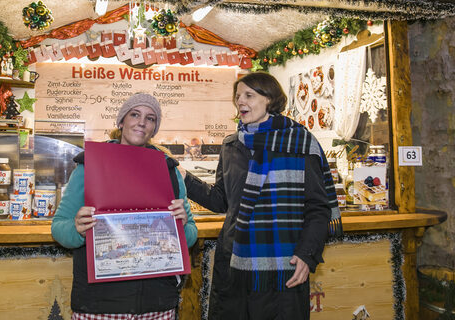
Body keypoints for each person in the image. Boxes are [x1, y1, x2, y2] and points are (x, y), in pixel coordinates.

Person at [180, 72, 342, 320]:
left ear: (269, 99)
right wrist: (184, 177)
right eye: (237, 97)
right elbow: (221, 201)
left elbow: (318, 208)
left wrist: (306, 254)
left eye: (249, 95)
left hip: (283, 266)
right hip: (234, 263)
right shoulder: (231, 145)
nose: (240, 102)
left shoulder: (300, 143)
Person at [52, 93, 198, 320]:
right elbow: (59, 228)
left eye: (150, 118)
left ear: (154, 129)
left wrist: (182, 226)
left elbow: (190, 236)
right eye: (135, 114)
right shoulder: (90, 166)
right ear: (121, 121)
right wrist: (77, 229)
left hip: (155, 303)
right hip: (100, 304)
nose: (142, 122)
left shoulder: (168, 170)